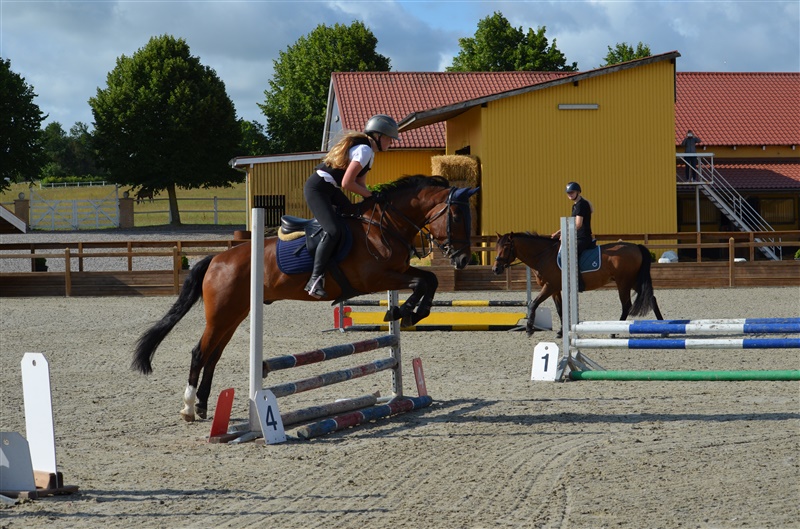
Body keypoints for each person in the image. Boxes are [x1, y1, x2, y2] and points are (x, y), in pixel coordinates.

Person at [302, 114, 399, 298]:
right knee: (333, 230)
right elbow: (347, 183)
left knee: (355, 218)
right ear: (378, 136)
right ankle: (315, 280)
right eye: (389, 138)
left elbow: (359, 184)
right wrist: (371, 195)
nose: (391, 143)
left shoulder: (369, 154)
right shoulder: (364, 150)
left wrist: (373, 198)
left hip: (330, 189)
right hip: (318, 189)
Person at [551, 181, 595, 292]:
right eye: (568, 193)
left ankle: (579, 283)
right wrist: (558, 232)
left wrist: (565, 233)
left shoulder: (581, 204)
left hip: (583, 238)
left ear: (578, 192)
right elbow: (572, 223)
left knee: (570, 254)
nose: (570, 194)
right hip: (577, 237)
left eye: (572, 192)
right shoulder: (576, 205)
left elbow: (578, 224)